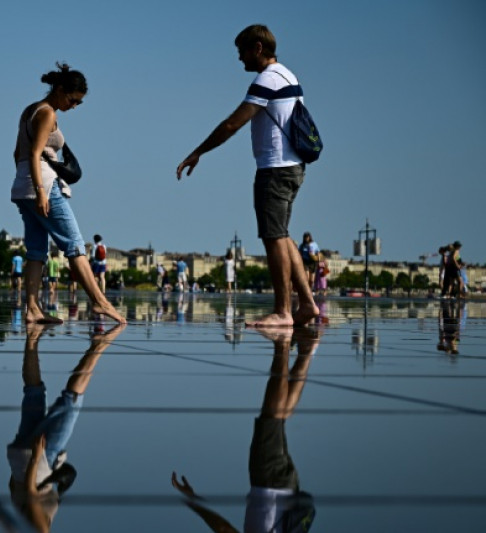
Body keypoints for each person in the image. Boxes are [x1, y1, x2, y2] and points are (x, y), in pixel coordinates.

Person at [176, 24, 318, 327]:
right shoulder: (288, 75)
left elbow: (232, 124)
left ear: (257, 48)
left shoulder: (267, 80)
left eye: (242, 51)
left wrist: (198, 151)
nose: (239, 59)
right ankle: (306, 304)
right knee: (283, 236)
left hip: (276, 169)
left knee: (274, 237)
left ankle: (283, 311)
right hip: (293, 167)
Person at [173, 327, 320, 532]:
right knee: (270, 419)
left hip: (287, 488)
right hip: (268, 483)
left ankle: (307, 352)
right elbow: (223, 529)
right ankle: (284, 345)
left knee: (277, 420)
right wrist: (194, 502)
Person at [10, 65, 125, 323]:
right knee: (74, 244)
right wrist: (41, 191)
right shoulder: (48, 113)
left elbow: (17, 154)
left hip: (22, 186)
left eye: (78, 103)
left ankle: (32, 309)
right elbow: (34, 153)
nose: (73, 106)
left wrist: (27, 184)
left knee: (36, 251)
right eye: (72, 100)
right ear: (60, 89)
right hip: (44, 187)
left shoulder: (29, 110)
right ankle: (100, 302)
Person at [7, 321, 125, 532]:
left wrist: (35, 459)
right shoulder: (20, 522)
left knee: (71, 402)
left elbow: (32, 493)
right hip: (19, 462)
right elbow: (14, 488)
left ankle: (98, 346)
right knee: (33, 391)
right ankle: (32, 336)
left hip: (39, 463)